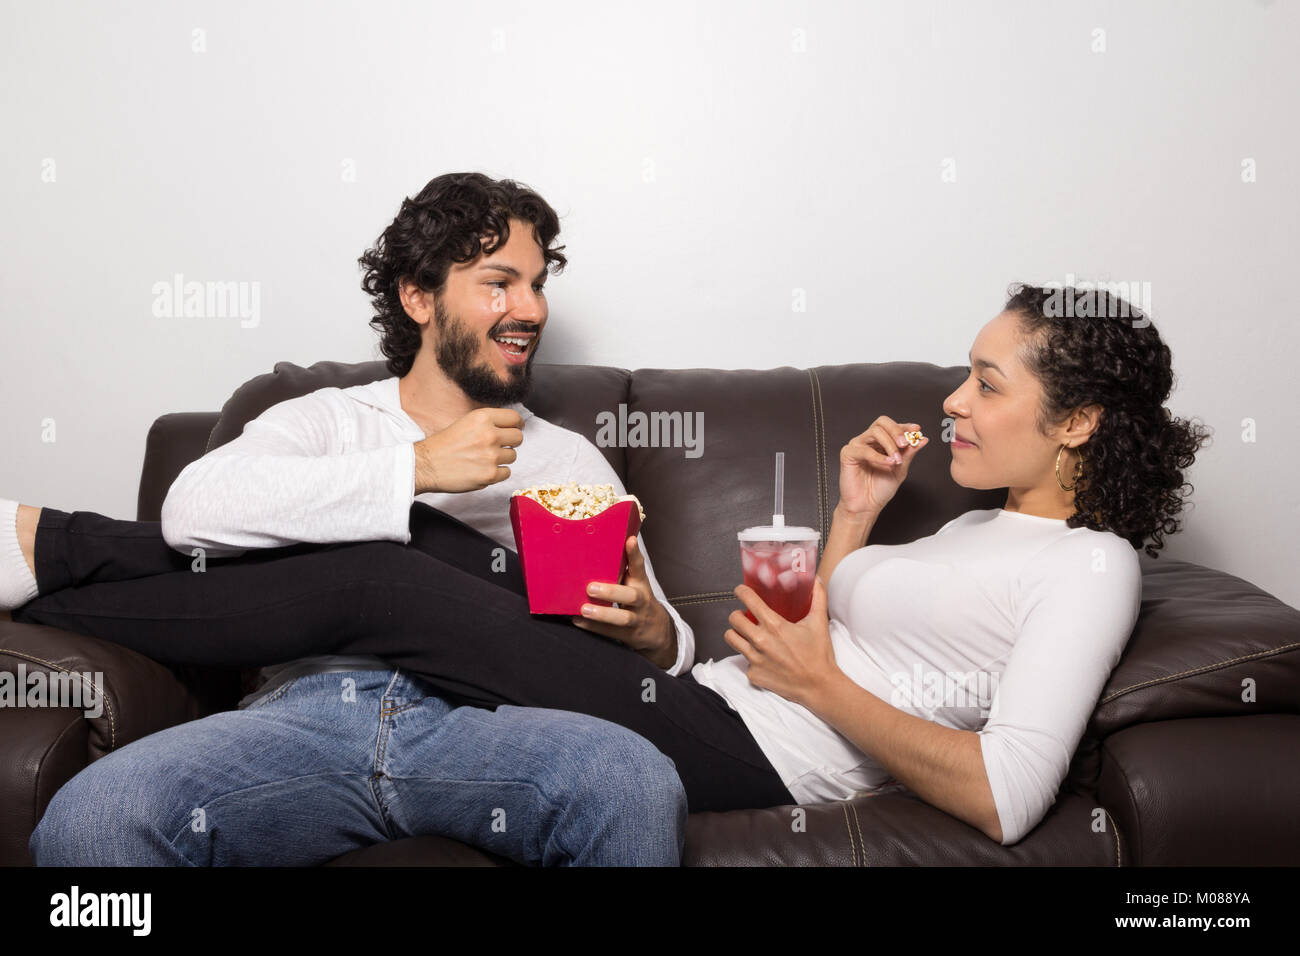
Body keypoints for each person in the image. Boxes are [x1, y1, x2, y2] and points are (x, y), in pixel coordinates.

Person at [8, 273, 1212, 844]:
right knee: (415, 530)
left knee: (380, 578)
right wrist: (854, 511)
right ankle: (54, 547)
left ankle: (45, 546)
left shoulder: (1089, 567)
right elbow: (836, 623)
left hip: (751, 748)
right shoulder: (969, 524)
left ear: (1077, 420)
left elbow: (1006, 795)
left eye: (985, 383)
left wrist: (815, 683)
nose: (952, 399)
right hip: (709, 702)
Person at [7, 172, 694, 867]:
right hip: (304, 720)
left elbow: (671, 654)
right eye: (499, 282)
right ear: (418, 296)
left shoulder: (567, 459)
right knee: (92, 819)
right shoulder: (326, 417)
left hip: (489, 724)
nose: (531, 309)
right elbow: (192, 512)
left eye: (537, 283)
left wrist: (656, 634)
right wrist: (419, 466)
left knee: (630, 779)